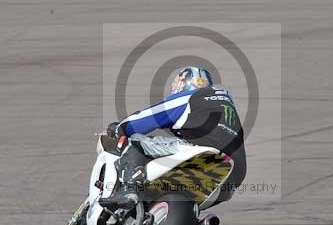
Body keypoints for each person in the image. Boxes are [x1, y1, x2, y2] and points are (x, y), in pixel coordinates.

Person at [102, 67, 247, 209]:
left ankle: (129, 189)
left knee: (133, 140)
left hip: (204, 153)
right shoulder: (224, 105)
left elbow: (147, 118)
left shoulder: (192, 97)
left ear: (183, 84)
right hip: (233, 177)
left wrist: (120, 127)